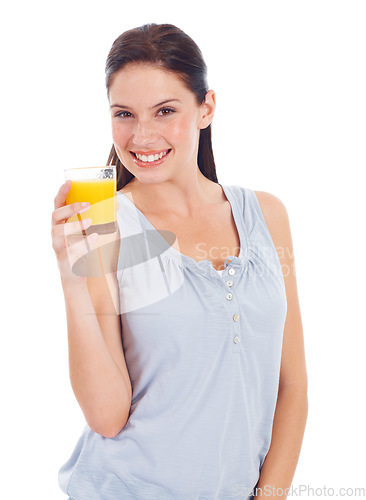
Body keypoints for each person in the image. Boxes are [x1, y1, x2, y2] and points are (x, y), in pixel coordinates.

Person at [51, 23, 308, 500]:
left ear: (205, 108)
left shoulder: (266, 216)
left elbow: (292, 386)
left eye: (165, 111)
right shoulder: (105, 225)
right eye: (124, 114)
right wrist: (72, 281)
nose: (142, 135)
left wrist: (268, 495)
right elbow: (107, 417)